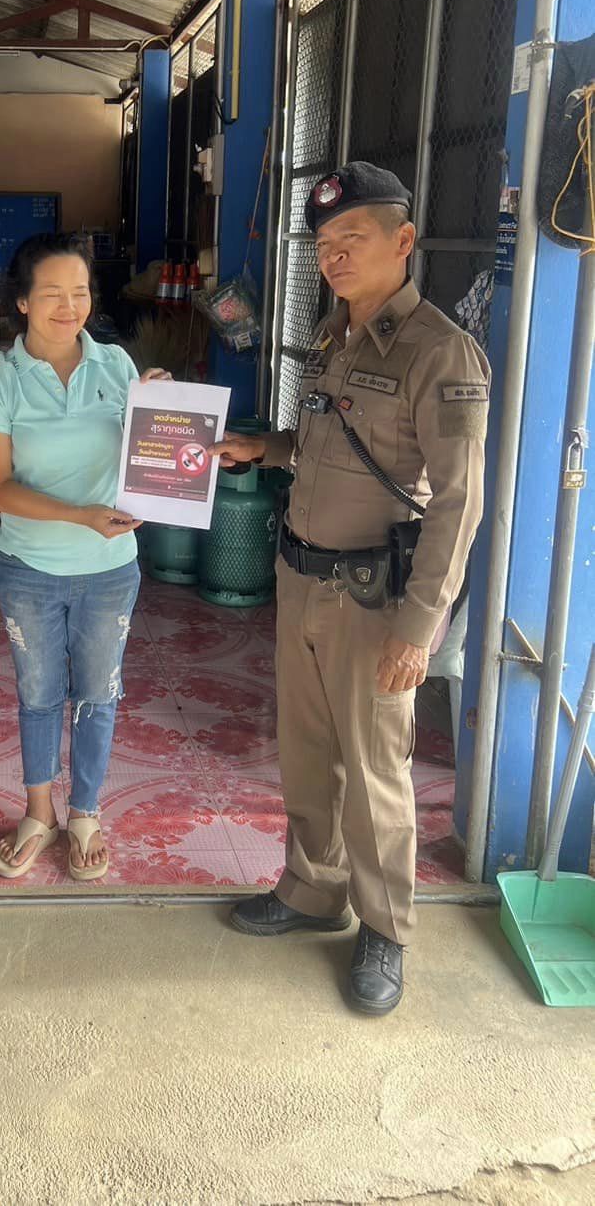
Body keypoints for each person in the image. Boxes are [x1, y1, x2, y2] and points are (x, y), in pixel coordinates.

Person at [214, 162, 489, 1015]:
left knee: (373, 770)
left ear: (403, 241)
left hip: (375, 602)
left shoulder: (439, 352)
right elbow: (324, 443)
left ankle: (384, 927)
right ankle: (312, 887)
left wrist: (420, 624)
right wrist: (266, 448)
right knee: (305, 752)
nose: (333, 255)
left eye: (352, 239)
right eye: (325, 242)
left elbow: (459, 501)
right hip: (301, 580)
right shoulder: (334, 336)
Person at [0, 232, 165, 881]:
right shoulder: (0, 379)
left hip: (111, 570)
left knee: (98, 693)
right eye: (52, 293)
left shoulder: (116, 365)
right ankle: (38, 813)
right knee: (39, 693)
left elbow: (144, 453)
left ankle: (85, 813)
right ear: (22, 301)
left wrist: (160, 407)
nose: (69, 306)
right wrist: (82, 515)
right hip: (29, 568)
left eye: (80, 292)